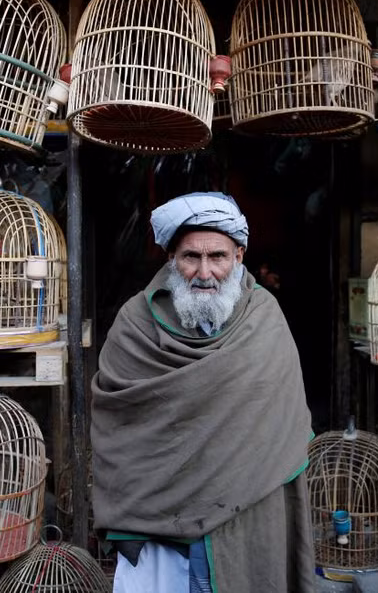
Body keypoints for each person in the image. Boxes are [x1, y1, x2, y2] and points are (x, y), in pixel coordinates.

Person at [91, 191, 315, 593]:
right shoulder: (135, 322)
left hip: (245, 515)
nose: (204, 272)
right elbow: (117, 425)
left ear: (239, 257)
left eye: (218, 257)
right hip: (159, 523)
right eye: (191, 257)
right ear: (172, 259)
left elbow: (280, 425)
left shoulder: (265, 318)